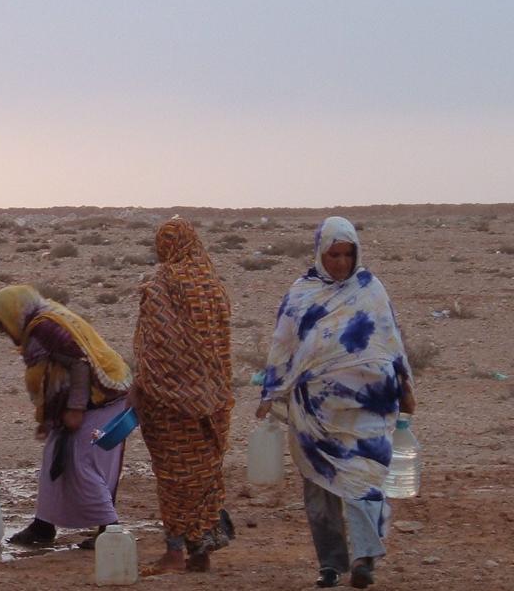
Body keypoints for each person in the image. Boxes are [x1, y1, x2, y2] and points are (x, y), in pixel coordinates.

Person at [256, 217, 416, 589]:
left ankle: (365, 559)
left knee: (365, 479)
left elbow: (390, 340)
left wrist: (406, 385)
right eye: (334, 255)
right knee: (321, 485)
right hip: (315, 412)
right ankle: (330, 563)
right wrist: (270, 394)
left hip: (368, 409)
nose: (341, 263)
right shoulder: (301, 294)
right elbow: (283, 345)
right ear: (320, 253)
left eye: (348, 254)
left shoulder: (370, 289)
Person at [0, 285, 132, 548]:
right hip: (94, 399)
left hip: (101, 400)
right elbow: (52, 374)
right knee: (54, 460)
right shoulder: (42, 323)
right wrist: (49, 417)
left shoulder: (45, 328)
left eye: (1, 322)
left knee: (83, 464)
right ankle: (43, 527)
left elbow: (79, 363)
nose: (2, 331)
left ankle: (110, 531)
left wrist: (75, 409)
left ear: (13, 314)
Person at [131, 217, 235, 575]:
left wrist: (142, 387)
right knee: (204, 475)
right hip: (214, 401)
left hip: (170, 402)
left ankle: (174, 552)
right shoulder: (214, 286)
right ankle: (201, 551)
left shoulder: (161, 284)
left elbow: (157, 347)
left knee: (175, 478)